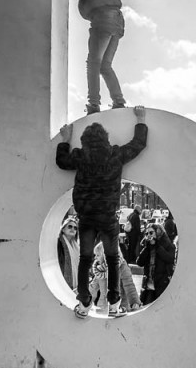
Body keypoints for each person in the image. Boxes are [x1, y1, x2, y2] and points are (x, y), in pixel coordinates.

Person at [56, 106, 147, 318]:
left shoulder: (80, 156)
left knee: (85, 258)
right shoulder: (115, 155)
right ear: (105, 139)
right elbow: (138, 144)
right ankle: (114, 304)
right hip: (107, 215)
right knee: (113, 258)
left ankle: (85, 302)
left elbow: (62, 162)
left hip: (86, 216)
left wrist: (65, 139)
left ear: (85, 141)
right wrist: (140, 119)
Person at [54, 0, 127, 114]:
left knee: (93, 62)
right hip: (116, 20)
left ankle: (93, 105)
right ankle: (118, 102)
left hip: (102, 18)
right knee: (104, 65)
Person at [137, 223, 176, 304]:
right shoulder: (147, 246)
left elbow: (170, 259)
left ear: (158, 232)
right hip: (148, 287)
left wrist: (157, 246)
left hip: (162, 285)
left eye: (151, 233)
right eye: (147, 233)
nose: (149, 235)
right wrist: (147, 248)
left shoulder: (168, 245)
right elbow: (139, 262)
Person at [57, 215, 80, 291]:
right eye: (70, 226)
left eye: (75, 228)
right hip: (61, 281)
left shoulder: (76, 247)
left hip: (76, 284)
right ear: (63, 229)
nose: (73, 229)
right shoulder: (58, 244)